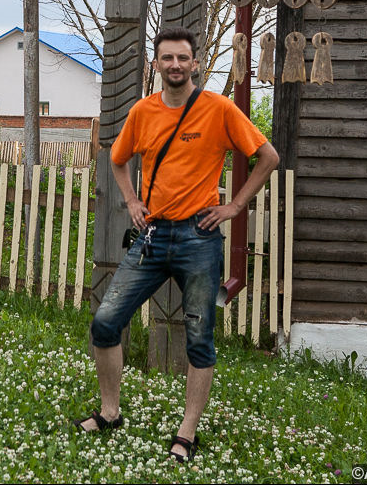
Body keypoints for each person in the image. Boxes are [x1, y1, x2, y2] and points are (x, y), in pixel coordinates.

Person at [75, 25, 279, 463]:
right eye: (166, 58)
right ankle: (110, 413)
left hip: (199, 237)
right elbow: (116, 158)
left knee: (199, 338)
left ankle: (186, 433)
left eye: (182, 58)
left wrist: (235, 206)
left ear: (195, 62)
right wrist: (131, 199)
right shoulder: (143, 112)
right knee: (106, 322)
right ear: (156, 63)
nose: (174, 65)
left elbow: (267, 157)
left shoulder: (219, 109)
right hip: (152, 236)